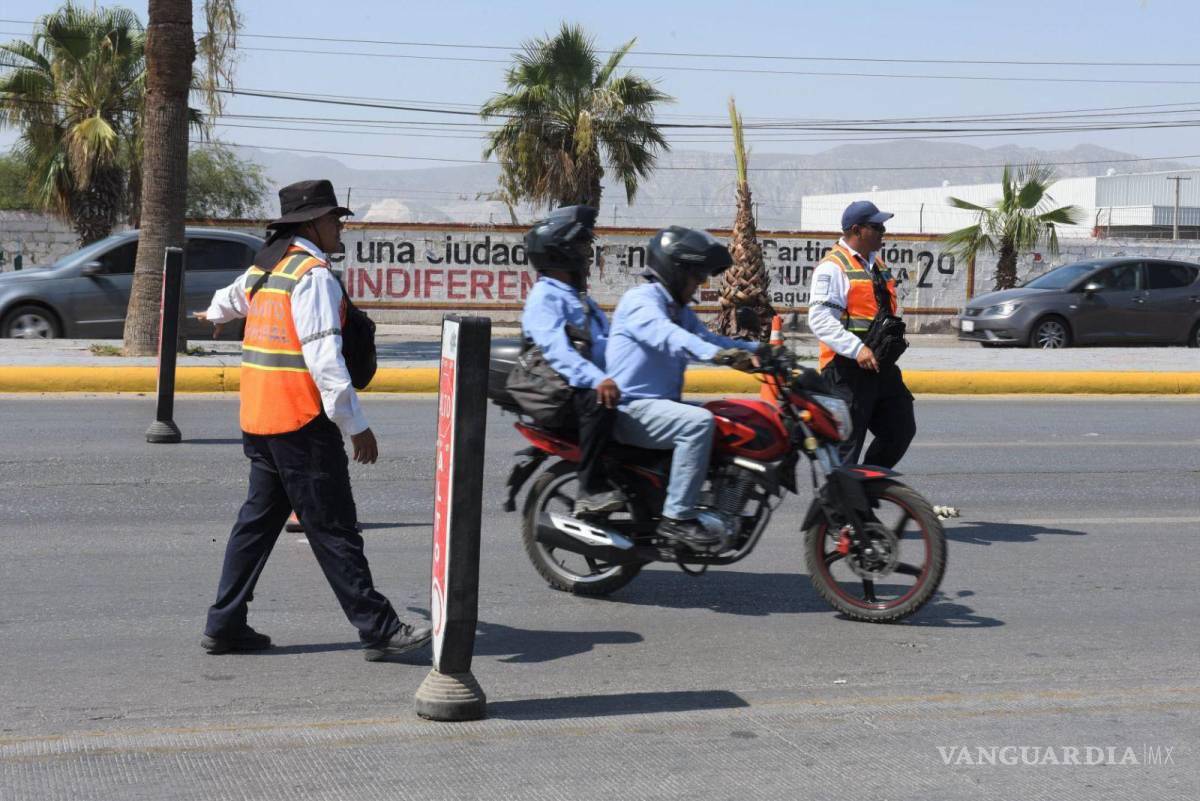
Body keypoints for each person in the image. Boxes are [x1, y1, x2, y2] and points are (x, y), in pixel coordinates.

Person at [197, 179, 430, 662]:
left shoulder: (268, 268)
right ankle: (380, 629)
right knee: (334, 529)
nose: (339, 227)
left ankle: (224, 625)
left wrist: (213, 313)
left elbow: (230, 299)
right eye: (333, 219)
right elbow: (325, 359)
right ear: (311, 224)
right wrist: (355, 425)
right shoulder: (313, 276)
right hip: (302, 423)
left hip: (261, 421)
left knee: (255, 527)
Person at [606, 227, 760, 550]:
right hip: (630, 408)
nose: (701, 284)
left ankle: (709, 498)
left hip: (655, 406)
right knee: (698, 424)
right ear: (676, 271)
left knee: (727, 415)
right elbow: (670, 337)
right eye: (697, 275)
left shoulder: (678, 310)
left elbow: (709, 339)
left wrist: (762, 351)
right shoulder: (642, 301)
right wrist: (721, 356)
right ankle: (677, 518)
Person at [520, 205, 625, 515]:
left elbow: (607, 342)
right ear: (560, 252)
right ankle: (589, 490)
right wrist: (598, 380)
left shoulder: (575, 295)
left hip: (579, 383)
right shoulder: (545, 296)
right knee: (599, 400)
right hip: (559, 391)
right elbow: (556, 349)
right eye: (580, 248)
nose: (586, 255)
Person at [808, 200, 916, 468]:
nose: (883, 230)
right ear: (856, 230)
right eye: (876, 226)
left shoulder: (875, 264)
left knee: (900, 430)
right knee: (847, 450)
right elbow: (820, 319)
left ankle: (869, 489)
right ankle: (843, 505)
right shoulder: (832, 268)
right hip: (846, 371)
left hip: (880, 366)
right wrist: (857, 349)